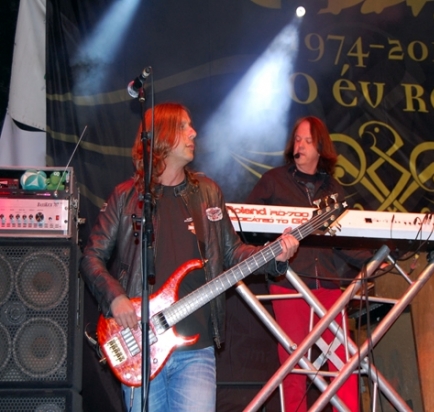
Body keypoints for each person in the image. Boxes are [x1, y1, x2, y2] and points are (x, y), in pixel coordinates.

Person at [80, 102, 299, 412]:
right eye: (183, 126)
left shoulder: (208, 193)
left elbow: (233, 253)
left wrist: (275, 254)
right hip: (139, 345)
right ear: (162, 136)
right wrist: (115, 297)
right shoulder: (126, 196)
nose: (194, 133)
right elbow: (91, 257)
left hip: (196, 348)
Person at [246, 116, 371, 412]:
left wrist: (378, 259)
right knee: (294, 362)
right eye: (297, 139)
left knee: (344, 359)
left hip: (328, 283)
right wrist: (273, 244)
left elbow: (342, 241)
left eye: (307, 141)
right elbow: (248, 225)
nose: (299, 145)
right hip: (288, 281)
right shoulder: (273, 181)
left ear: (320, 148)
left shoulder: (333, 189)